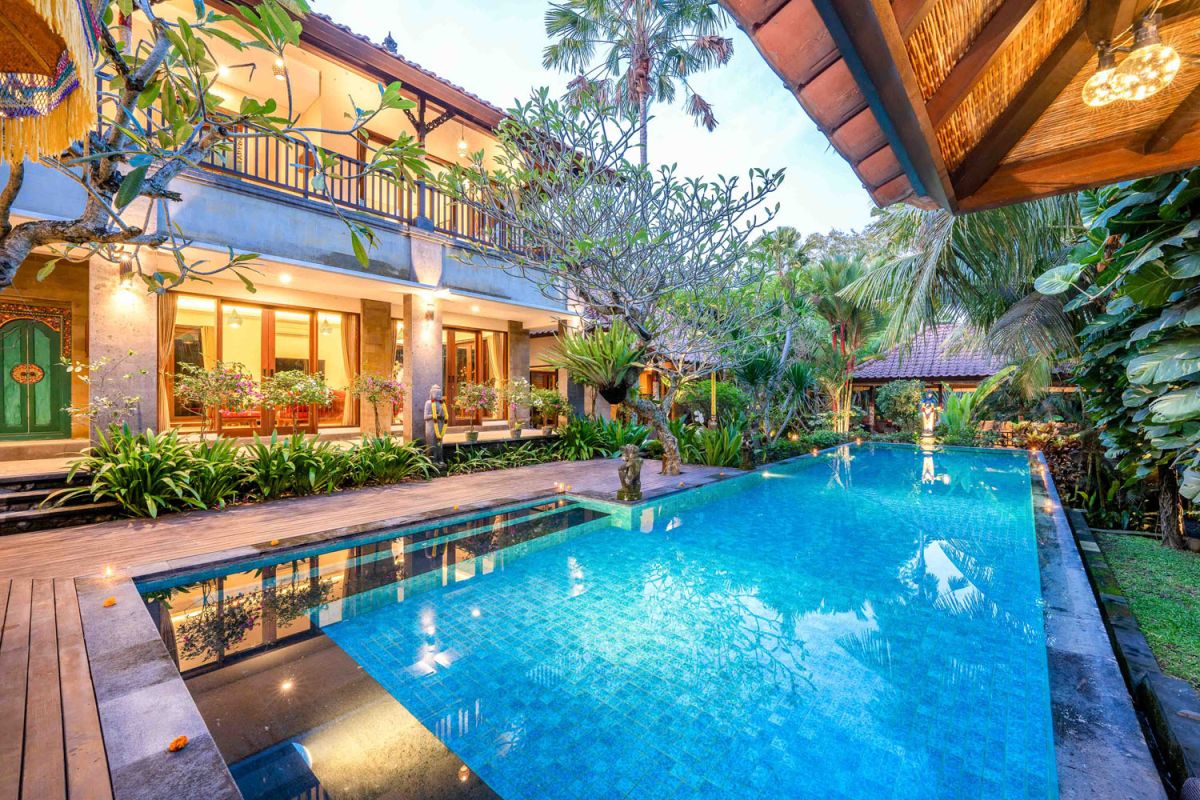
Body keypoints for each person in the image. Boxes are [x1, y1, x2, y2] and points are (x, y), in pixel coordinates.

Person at [423, 384, 449, 465]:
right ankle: (432, 460)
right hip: (431, 426)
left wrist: (442, 415)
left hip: (440, 425)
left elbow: (444, 416)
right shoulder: (428, 403)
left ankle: (440, 458)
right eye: (437, 394)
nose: (438, 395)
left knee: (439, 443)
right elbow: (425, 417)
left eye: (440, 394)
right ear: (432, 394)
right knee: (431, 443)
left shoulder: (441, 404)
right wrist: (434, 416)